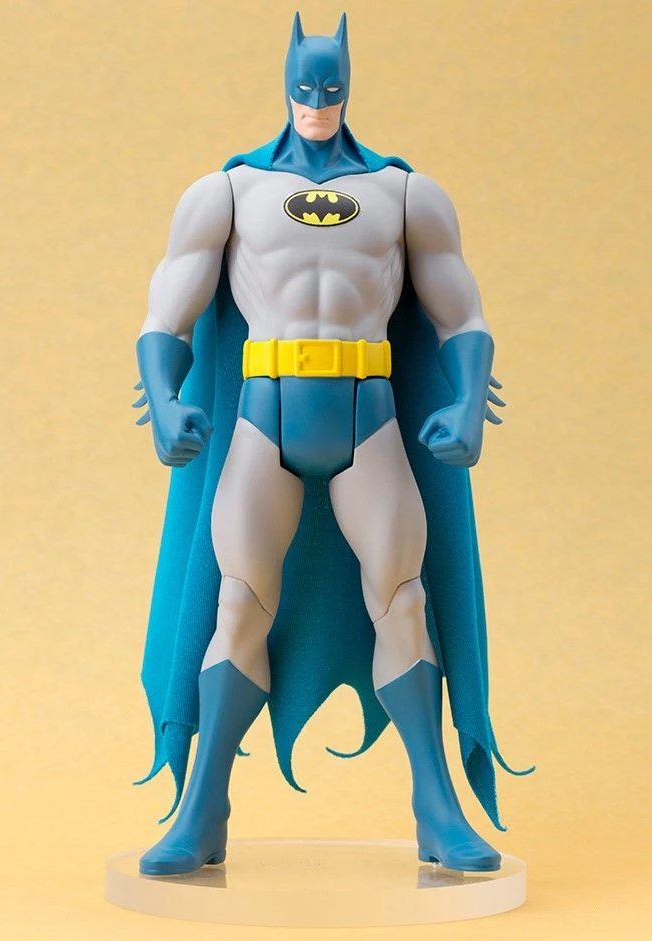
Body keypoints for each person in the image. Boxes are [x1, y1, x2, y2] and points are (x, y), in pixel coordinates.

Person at [134, 12, 526, 878]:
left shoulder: (402, 192)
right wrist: (164, 401)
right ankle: (203, 810)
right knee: (238, 604)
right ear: (285, 83)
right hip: (262, 419)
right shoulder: (230, 190)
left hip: (369, 416)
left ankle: (436, 809)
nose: (316, 101)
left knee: (404, 600)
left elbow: (460, 311)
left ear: (348, 86)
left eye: (330, 87)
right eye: (304, 87)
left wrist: (466, 403)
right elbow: (168, 312)